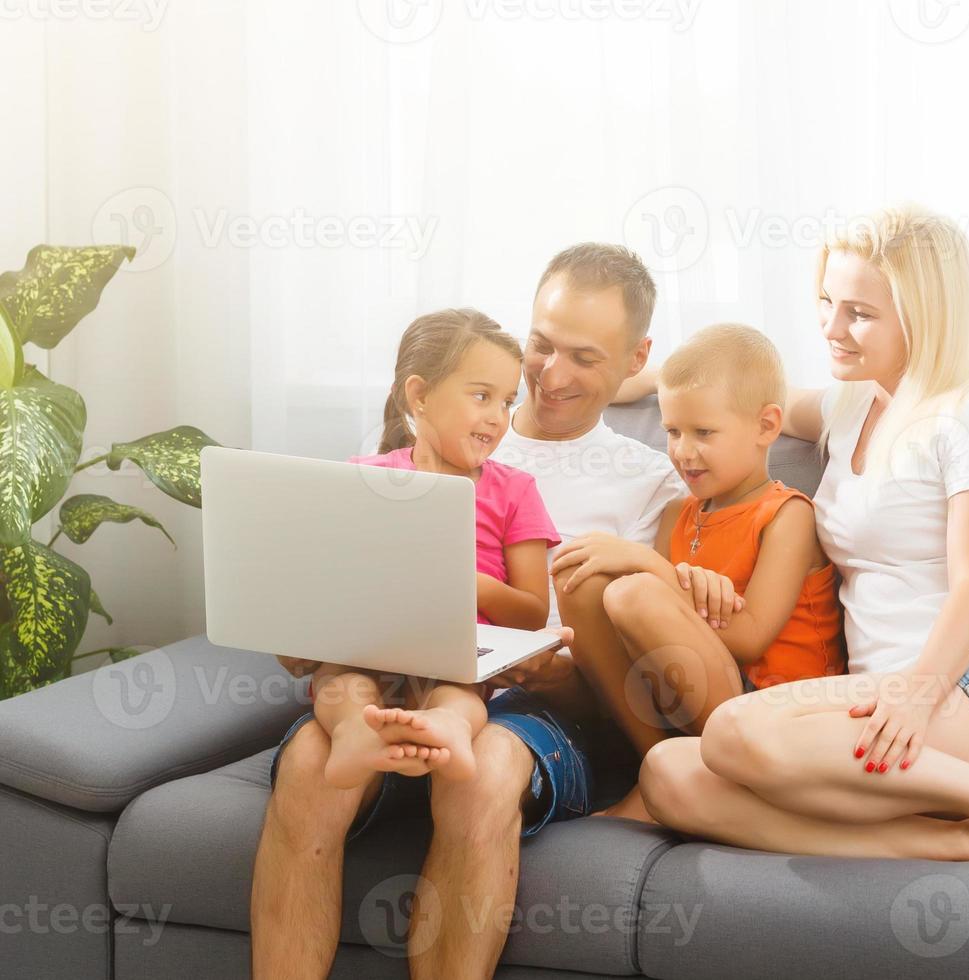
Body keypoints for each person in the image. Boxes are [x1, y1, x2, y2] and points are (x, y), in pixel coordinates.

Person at [623, 205, 969, 868]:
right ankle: (963, 842)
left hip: (968, 692)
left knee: (735, 730)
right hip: (876, 712)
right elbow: (748, 399)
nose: (832, 328)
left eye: (859, 313)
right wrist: (642, 379)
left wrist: (916, 697)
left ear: (923, 315)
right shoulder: (851, 404)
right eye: (827, 301)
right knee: (669, 774)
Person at [252, 246, 679, 980]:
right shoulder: (417, 443)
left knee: (479, 773)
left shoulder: (653, 481)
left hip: (530, 702)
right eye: (542, 345)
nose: (549, 375)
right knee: (310, 764)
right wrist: (309, 635)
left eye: (586, 356)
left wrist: (552, 669)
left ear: (636, 357)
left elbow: (640, 676)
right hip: (391, 673)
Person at [551, 324, 844, 803]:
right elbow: (655, 629)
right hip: (689, 697)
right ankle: (657, 770)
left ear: (766, 427)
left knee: (634, 590)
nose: (683, 451)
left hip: (774, 714)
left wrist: (649, 564)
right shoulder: (677, 514)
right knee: (578, 576)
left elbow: (749, 638)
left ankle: (683, 780)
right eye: (672, 431)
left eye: (703, 432)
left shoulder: (787, 515)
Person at [297, 309, 562, 789]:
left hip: (458, 657)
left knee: (458, 695)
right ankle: (357, 735)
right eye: (482, 396)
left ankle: (451, 731)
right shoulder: (364, 476)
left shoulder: (516, 491)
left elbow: (531, 613)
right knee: (342, 687)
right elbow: (329, 576)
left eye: (506, 402)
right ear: (419, 396)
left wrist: (468, 585)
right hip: (368, 649)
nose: (497, 418)